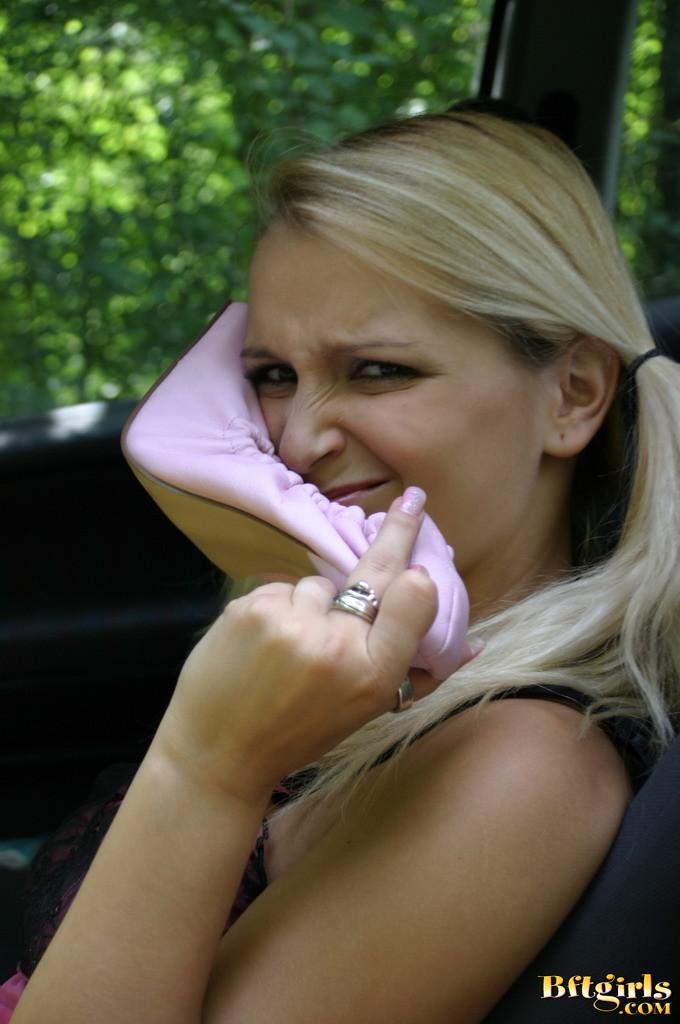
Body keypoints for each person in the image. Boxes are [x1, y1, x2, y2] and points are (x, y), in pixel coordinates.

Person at [3, 109, 680, 1023]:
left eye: (375, 371)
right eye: (272, 375)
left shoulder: (522, 763)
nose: (297, 437)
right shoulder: (344, 675)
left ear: (573, 394)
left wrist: (208, 769)